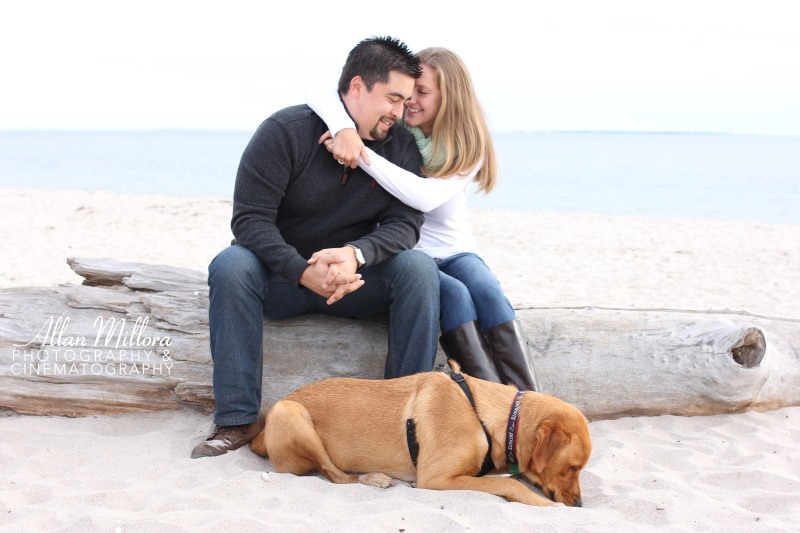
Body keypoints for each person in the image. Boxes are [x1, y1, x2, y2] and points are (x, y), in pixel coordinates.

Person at [191, 36, 441, 459]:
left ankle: (404, 420)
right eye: (392, 99)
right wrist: (301, 271)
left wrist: (354, 253)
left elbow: (406, 225)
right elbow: (249, 220)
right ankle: (236, 419)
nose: (400, 112)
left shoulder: (400, 146)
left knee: (418, 269)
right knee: (231, 264)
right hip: (282, 281)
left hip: (354, 282)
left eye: (404, 101)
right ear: (357, 87)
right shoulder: (285, 132)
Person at [306, 47, 540, 392]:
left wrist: (362, 154)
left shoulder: (465, 144)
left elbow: (423, 196)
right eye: (409, 90)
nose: (410, 100)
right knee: (457, 295)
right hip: (407, 255)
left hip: (455, 251)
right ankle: (497, 405)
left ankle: (530, 400)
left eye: (423, 92)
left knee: (487, 290)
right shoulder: (395, 129)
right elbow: (316, 90)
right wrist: (344, 129)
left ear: (449, 96)